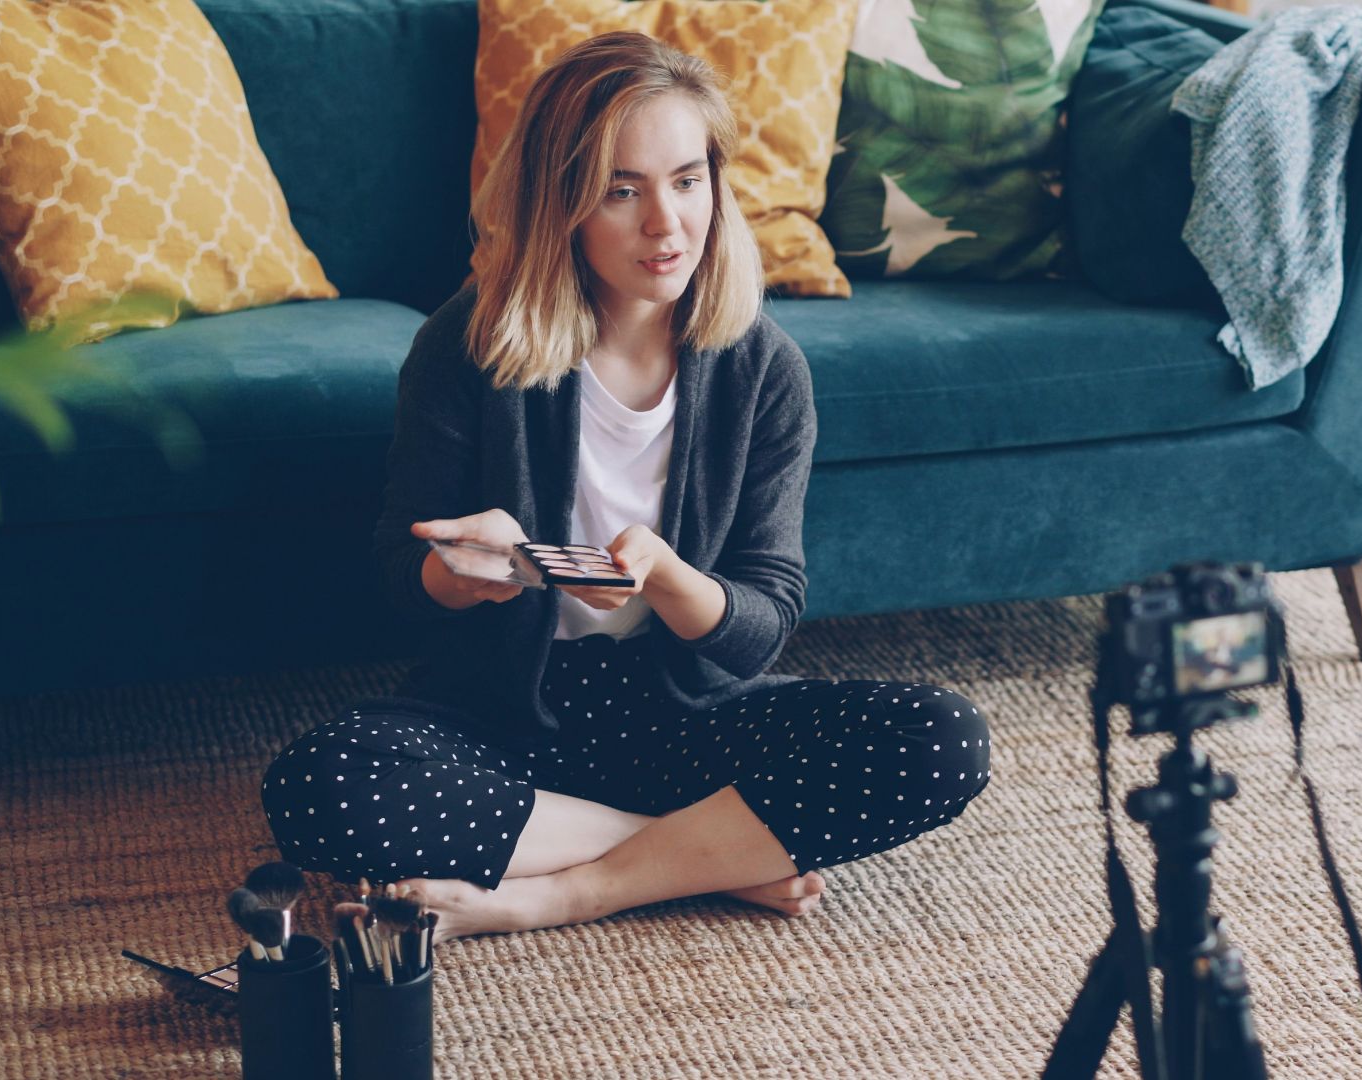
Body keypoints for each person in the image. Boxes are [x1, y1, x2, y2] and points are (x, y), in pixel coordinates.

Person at [259, 32, 991, 941]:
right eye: (621, 190)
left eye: (688, 181)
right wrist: (459, 573)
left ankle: (565, 890)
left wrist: (668, 577)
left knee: (942, 738)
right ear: (560, 203)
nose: (666, 224)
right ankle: (712, 858)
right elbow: (397, 581)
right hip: (505, 722)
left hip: (688, 717)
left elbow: (761, 627)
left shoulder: (765, 370)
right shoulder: (465, 347)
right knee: (320, 783)